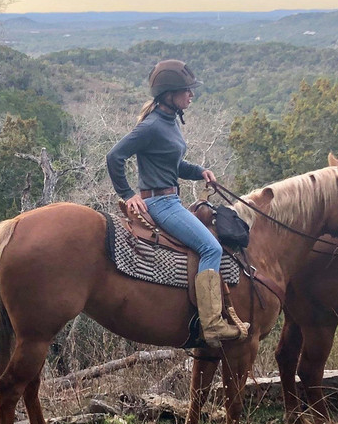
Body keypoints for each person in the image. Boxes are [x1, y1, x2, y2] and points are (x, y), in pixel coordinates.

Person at [106, 59, 248, 347]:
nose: (191, 95)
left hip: (171, 198)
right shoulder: (152, 125)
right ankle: (212, 325)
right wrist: (127, 193)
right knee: (211, 247)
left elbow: (173, 164)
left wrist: (200, 172)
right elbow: (114, 157)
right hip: (161, 203)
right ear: (170, 94)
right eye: (186, 90)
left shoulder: (170, 122)